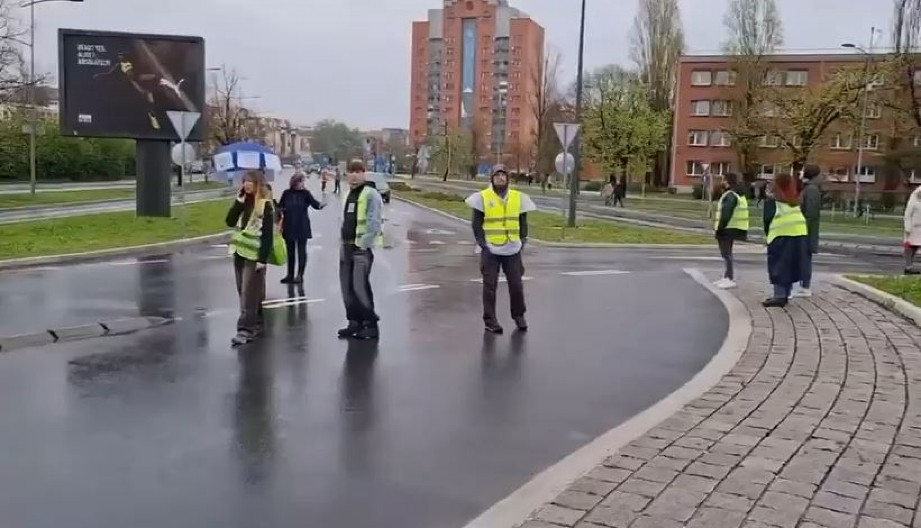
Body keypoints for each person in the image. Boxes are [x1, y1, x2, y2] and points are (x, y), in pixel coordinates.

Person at [465, 164, 537, 334]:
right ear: (492, 178)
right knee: (489, 286)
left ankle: (519, 316)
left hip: (512, 249)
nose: (500, 178)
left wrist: (523, 240)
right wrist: (483, 244)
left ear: (507, 178)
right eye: (497, 175)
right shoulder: (482, 197)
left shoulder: (518, 198)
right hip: (491, 250)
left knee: (516, 285)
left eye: (503, 175)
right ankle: (490, 321)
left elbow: (522, 221)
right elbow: (476, 224)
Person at [226, 170, 275, 346]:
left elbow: (267, 236)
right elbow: (230, 221)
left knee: (248, 294)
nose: (247, 184)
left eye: (250, 182)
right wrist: (237, 203)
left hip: (254, 256)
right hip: (239, 252)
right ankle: (258, 322)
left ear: (257, 184)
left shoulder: (265, 205)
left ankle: (245, 330)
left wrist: (262, 260)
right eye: (245, 181)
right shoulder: (243, 202)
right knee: (244, 291)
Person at [338, 159, 384, 340]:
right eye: (351, 171)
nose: (354, 175)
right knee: (346, 288)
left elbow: (374, 222)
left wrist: (363, 243)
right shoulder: (347, 193)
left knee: (360, 287)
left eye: (358, 171)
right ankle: (354, 322)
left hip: (360, 250)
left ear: (364, 173)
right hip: (345, 247)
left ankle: (370, 325)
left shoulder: (371, 194)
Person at [762, 172, 809, 308]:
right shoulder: (796, 199)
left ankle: (779, 296)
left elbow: (767, 220)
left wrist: (768, 235)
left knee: (778, 266)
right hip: (799, 235)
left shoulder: (773, 200)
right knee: (790, 265)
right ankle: (786, 293)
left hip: (780, 235)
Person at [278, 172, 325, 285]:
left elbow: (315, 204)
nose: (303, 184)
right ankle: (290, 274)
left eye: (303, 181)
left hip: (302, 225)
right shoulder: (287, 193)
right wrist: (278, 210)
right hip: (289, 225)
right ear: (295, 182)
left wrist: (322, 204)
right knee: (290, 252)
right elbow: (280, 206)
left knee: (301, 251)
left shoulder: (305, 194)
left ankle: (300, 275)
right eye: (301, 181)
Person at [713, 172, 750, 289]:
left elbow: (726, 213)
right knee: (727, 253)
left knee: (726, 254)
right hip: (735, 227)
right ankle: (727, 276)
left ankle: (729, 278)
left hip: (727, 228)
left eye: (723, 180)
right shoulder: (738, 193)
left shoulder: (730, 195)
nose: (722, 182)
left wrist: (720, 228)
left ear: (727, 181)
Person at [794, 165, 822, 297]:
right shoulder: (808, 188)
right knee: (802, 258)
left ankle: (806, 287)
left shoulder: (811, 189)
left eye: (802, 170)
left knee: (805, 258)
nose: (800, 172)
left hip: (805, 231)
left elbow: (810, 212)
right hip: (803, 229)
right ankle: (803, 285)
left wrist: (803, 229)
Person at [904, 185, 921, 274]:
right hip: (912, 228)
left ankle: (910, 266)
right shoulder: (913, 201)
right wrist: (907, 227)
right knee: (909, 247)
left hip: (920, 229)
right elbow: (907, 214)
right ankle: (908, 266)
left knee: (916, 246)